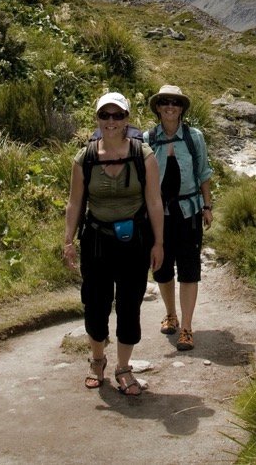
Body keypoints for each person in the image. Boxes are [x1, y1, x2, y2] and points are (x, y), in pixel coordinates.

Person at [63, 91, 164, 396]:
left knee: (130, 304)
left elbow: (154, 202)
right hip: (97, 240)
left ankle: (123, 367)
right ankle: (97, 361)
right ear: (97, 119)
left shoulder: (143, 156)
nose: (111, 121)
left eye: (117, 115)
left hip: (135, 240)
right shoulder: (85, 158)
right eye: (104, 115)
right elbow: (75, 203)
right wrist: (68, 241)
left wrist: (158, 243)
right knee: (95, 302)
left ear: (126, 119)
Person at [145, 85, 213, 352]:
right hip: (158, 213)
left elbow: (204, 172)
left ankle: (186, 327)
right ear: (158, 107)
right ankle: (170, 314)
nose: (170, 107)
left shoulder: (194, 138)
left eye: (175, 102)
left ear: (182, 108)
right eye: (165, 102)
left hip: (189, 211)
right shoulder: (148, 139)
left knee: (189, 269)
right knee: (161, 268)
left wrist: (207, 206)